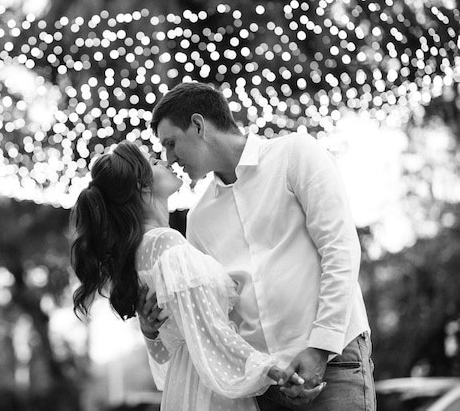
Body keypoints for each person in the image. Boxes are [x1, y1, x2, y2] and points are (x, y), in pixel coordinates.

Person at [141, 82, 375, 410]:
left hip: (335, 361)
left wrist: (320, 347)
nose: (168, 158)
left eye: (170, 143)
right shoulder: (199, 219)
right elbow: (210, 317)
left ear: (198, 125)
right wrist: (153, 327)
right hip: (265, 384)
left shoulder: (296, 153)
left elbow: (340, 248)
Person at [70, 141, 322, 411]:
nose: (166, 161)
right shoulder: (166, 244)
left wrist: (150, 332)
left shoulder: (142, 252)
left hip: (188, 382)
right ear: (142, 186)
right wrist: (272, 369)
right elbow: (212, 331)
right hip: (210, 390)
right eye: (154, 162)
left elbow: (167, 348)